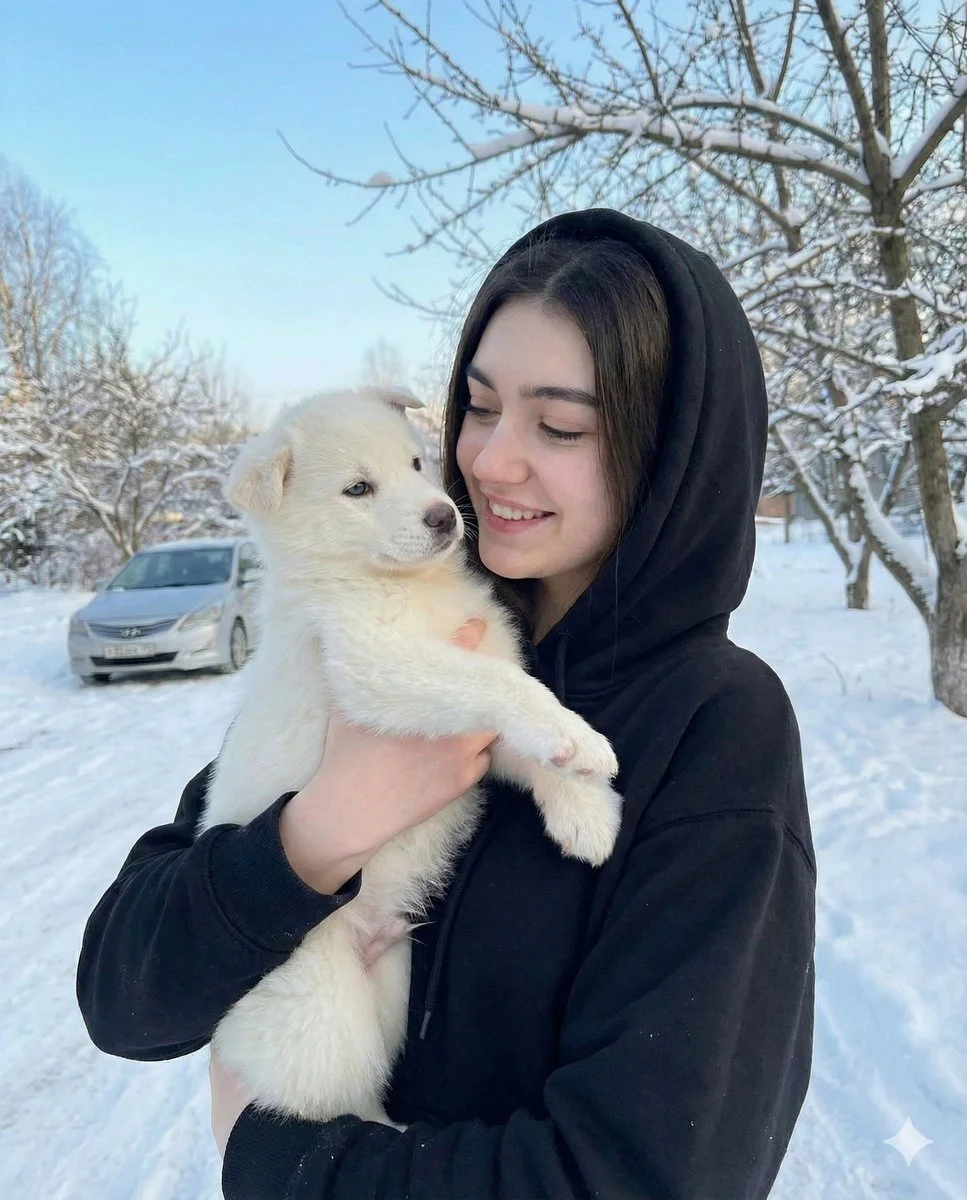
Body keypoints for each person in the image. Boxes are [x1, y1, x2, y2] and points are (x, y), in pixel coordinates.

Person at [77, 209, 816, 1199]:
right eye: (475, 406)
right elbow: (124, 994)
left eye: (560, 426)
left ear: (666, 452)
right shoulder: (381, 623)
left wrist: (286, 1166)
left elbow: (646, 1173)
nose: (489, 462)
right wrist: (314, 837)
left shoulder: (715, 728)